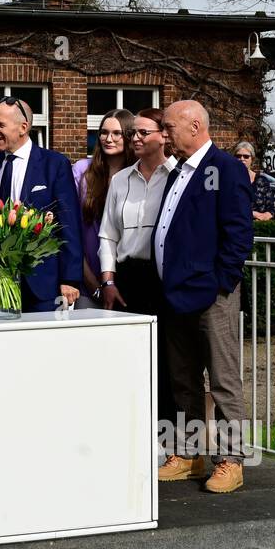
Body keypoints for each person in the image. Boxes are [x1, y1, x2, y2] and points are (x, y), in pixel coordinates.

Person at [154, 100, 254, 494]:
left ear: (195, 126)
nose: (164, 134)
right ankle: (191, 454)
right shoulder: (179, 169)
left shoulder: (225, 168)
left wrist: (220, 285)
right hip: (176, 293)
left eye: (169, 127)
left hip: (211, 296)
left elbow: (238, 234)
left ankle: (231, 460)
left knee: (224, 379)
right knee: (184, 378)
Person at [97, 108, 177, 423]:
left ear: (163, 136)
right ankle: (133, 432)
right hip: (127, 278)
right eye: (134, 133)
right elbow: (107, 235)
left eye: (143, 132)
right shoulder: (120, 180)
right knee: (130, 360)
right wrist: (108, 281)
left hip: (164, 278)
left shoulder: (178, 176)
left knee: (169, 362)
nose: (136, 138)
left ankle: (173, 441)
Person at [0, 96, 82, 311]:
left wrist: (71, 278)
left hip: (44, 283)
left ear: (23, 127)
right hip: (1, 282)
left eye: (0, 124)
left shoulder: (54, 164)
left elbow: (69, 223)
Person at [73, 110, 134, 306]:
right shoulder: (82, 171)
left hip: (128, 279)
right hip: (86, 277)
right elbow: (71, 230)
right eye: (104, 132)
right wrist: (90, 281)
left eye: (117, 133)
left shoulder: (138, 176)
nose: (109, 139)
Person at [235, 140, 275, 221]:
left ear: (252, 159)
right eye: (238, 156)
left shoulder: (262, 181)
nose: (242, 159)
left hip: (259, 227)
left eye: (246, 156)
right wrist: (254, 214)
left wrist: (265, 216)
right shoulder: (229, 180)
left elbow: (271, 209)